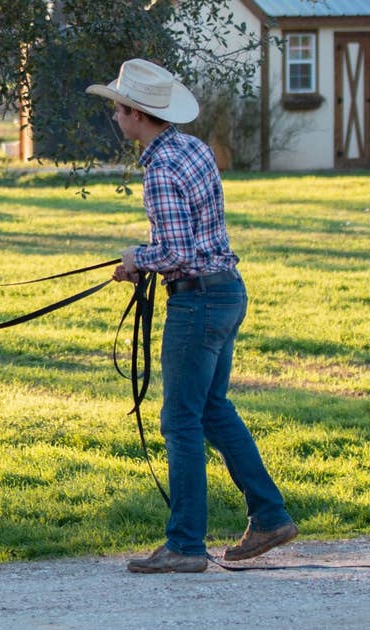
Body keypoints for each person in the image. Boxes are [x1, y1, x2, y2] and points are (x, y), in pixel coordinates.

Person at [86, 58, 297, 573]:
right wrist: (146, 255)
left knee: (180, 420)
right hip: (227, 293)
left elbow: (177, 251)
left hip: (197, 302)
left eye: (118, 108)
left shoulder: (159, 168)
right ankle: (269, 514)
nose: (115, 116)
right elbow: (198, 238)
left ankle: (184, 544)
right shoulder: (193, 148)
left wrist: (138, 258)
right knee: (213, 410)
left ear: (137, 114)